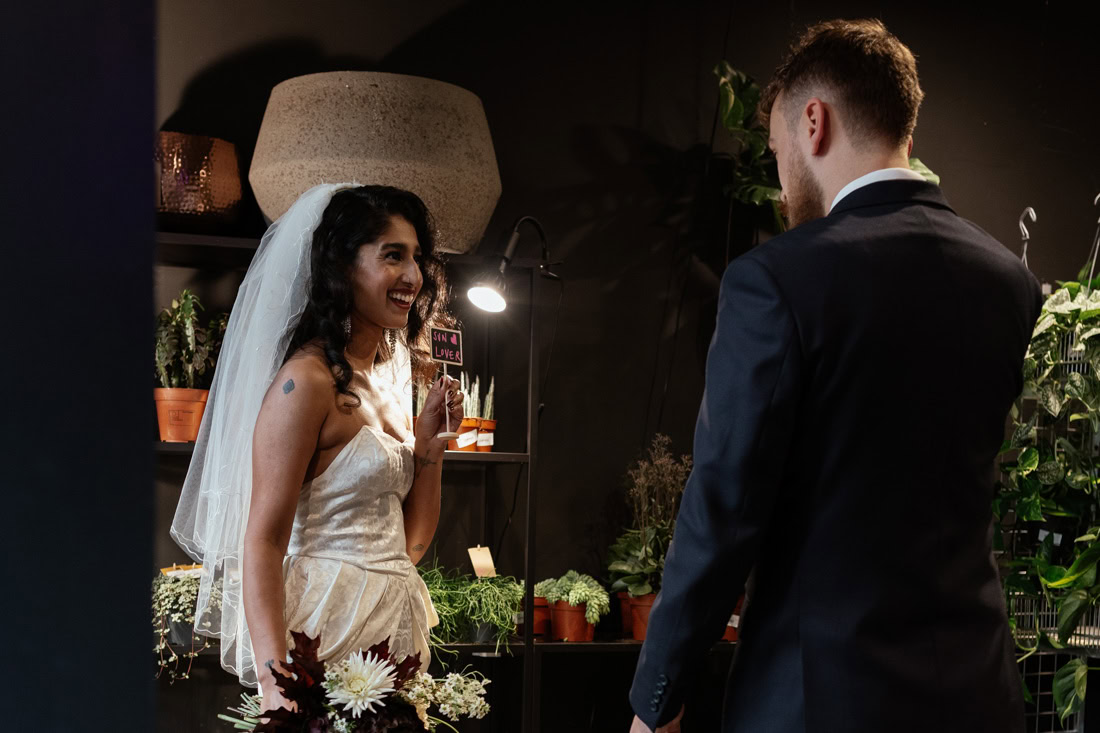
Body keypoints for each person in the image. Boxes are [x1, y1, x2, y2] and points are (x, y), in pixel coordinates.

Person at [628, 19, 1042, 733]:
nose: (780, 177)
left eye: (776, 150)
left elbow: (724, 509)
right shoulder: (1009, 280)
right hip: (979, 697)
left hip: (820, 701)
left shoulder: (774, 279)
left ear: (813, 122)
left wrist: (656, 699)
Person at [170, 183, 463, 718]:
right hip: (320, 637)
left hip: (393, 640)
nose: (413, 276)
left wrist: (429, 449)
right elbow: (262, 540)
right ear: (342, 267)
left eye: (417, 258)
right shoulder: (305, 383)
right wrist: (275, 682)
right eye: (392, 255)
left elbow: (410, 547)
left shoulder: (387, 383)